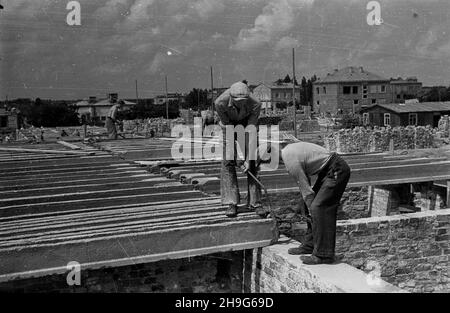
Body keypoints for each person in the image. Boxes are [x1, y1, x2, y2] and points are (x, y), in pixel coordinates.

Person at [280, 141, 350, 265]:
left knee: (319, 208)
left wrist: (309, 205)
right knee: (306, 206)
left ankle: (324, 255)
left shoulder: (289, 159)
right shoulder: (288, 151)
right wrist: (304, 205)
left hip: (336, 169)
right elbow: (306, 181)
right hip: (327, 171)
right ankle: (310, 245)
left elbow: (306, 190)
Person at [214, 80, 264, 218]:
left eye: (244, 101)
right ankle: (232, 202)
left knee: (253, 162)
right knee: (229, 162)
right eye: (238, 102)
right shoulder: (220, 103)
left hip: (247, 127)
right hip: (228, 127)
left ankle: (255, 202)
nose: (242, 104)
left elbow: (251, 131)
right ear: (232, 97)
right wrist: (237, 158)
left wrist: (248, 160)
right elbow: (229, 129)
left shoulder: (255, 104)